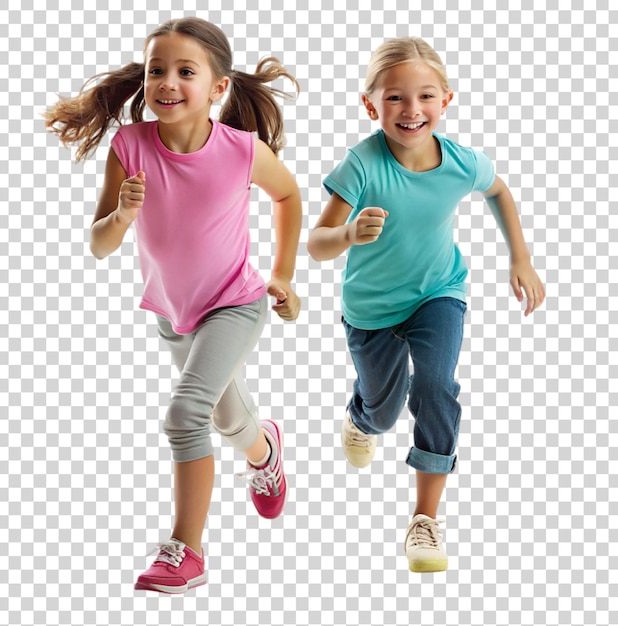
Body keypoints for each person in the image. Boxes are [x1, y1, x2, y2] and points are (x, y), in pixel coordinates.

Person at [45, 17, 302, 593]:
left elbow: (287, 194)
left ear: (217, 88)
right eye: (156, 69)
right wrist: (122, 215)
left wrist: (282, 274)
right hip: (172, 312)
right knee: (227, 416)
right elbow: (99, 244)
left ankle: (185, 552)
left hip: (235, 303)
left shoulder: (240, 150)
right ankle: (265, 451)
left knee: (185, 414)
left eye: (186, 71)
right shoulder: (129, 145)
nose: (166, 81)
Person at [308, 37, 545, 573]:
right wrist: (346, 235)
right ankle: (362, 417)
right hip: (371, 309)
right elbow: (317, 244)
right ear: (371, 105)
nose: (411, 110)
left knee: (436, 386)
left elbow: (499, 191)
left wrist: (521, 259)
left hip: (440, 292)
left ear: (446, 101)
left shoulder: (462, 162)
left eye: (425, 97)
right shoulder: (362, 164)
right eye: (395, 98)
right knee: (385, 410)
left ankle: (426, 520)